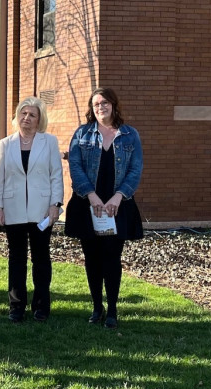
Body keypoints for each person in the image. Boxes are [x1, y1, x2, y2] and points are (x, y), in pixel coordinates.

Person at [64, 87, 143, 329]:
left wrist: (118, 197)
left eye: (105, 103)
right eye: (96, 104)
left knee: (112, 257)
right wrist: (92, 196)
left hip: (117, 207)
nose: (101, 107)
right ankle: (97, 307)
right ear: (92, 108)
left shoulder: (130, 135)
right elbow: (75, 167)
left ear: (114, 105)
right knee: (91, 258)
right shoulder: (82, 134)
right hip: (88, 204)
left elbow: (135, 169)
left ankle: (112, 310)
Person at [0, 97, 64, 323]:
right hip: (13, 209)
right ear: (17, 117)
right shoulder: (6, 143)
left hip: (41, 210)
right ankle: (17, 306)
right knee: (17, 259)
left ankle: (41, 307)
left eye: (32, 115)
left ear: (40, 119)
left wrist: (55, 204)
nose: (27, 118)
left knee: (41, 259)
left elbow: (56, 176)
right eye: (23, 114)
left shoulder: (49, 142)